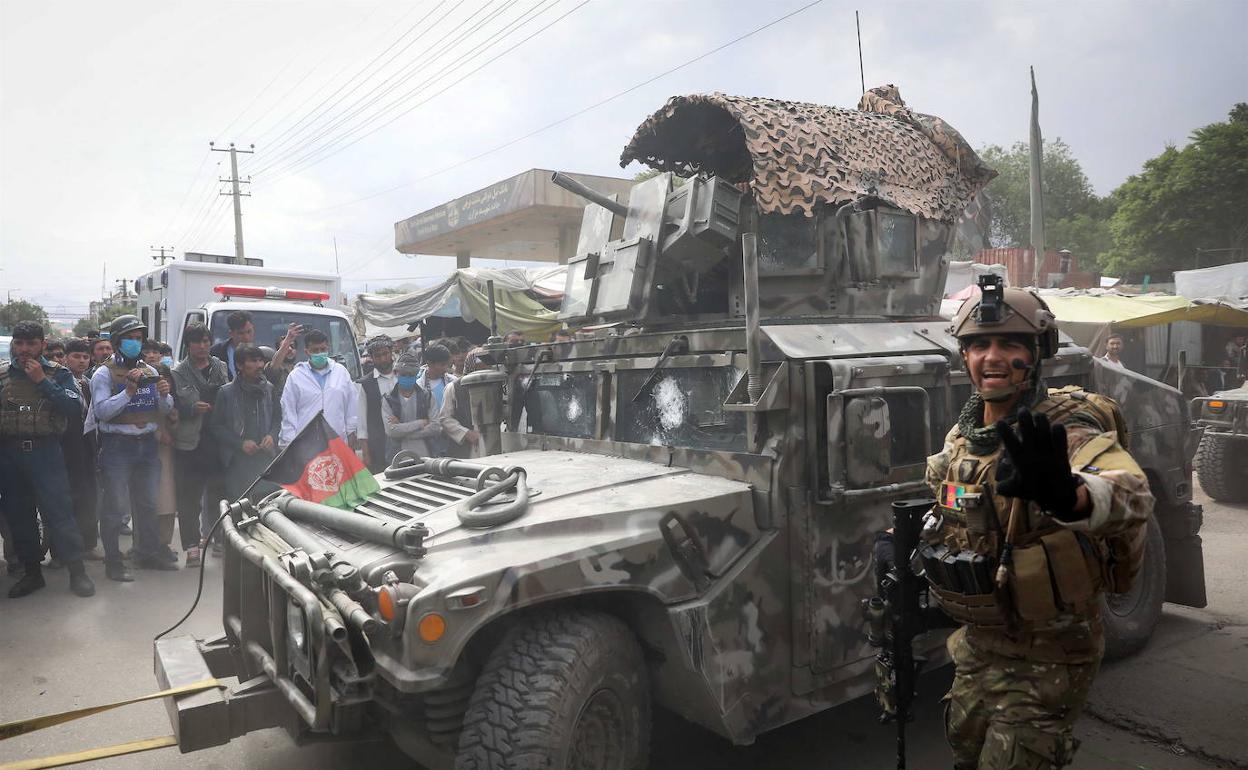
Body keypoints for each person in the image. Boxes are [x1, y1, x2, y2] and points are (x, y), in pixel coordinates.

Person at [925, 283, 1153, 769]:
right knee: (964, 753)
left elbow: (1134, 494)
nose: (993, 358)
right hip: (977, 646)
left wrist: (1067, 495)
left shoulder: (1065, 430)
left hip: (1050, 651)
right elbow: (954, 510)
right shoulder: (962, 437)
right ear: (964, 356)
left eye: (1010, 345)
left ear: (1036, 354)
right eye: (980, 345)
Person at [0, 321, 95, 597]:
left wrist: (42, 381)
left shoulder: (58, 373)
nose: (25, 349)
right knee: (20, 517)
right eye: (19, 343)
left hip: (46, 453)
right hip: (11, 455)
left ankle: (77, 572)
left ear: (42, 344)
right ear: (13, 345)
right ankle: (32, 573)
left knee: (60, 515)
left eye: (31, 343)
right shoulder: (4, 376)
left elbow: (73, 407)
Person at [90, 314, 177, 581]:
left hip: (146, 447)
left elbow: (164, 408)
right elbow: (102, 412)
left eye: (138, 339)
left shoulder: (150, 371)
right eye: (129, 338)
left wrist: (165, 395)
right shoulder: (103, 373)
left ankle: (147, 553)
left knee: (147, 504)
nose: (134, 343)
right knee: (115, 507)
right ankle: (113, 562)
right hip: (118, 447)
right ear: (117, 341)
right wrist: (127, 391)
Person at [171, 322, 229, 566]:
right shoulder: (177, 372)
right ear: (189, 345)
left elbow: (230, 397)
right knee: (189, 499)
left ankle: (216, 539)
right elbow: (171, 406)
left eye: (207, 341)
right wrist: (191, 408)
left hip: (216, 441)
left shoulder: (221, 367)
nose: (203, 346)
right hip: (188, 443)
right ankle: (192, 548)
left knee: (218, 495)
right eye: (198, 342)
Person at [209, 345, 282, 502]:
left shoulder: (269, 389)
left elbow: (278, 419)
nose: (259, 365)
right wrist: (240, 443)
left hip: (266, 462)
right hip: (238, 465)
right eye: (253, 361)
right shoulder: (226, 393)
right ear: (240, 365)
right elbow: (216, 427)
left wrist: (272, 436)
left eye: (261, 360)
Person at [279, 328, 357, 446]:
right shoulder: (296, 376)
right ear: (307, 352)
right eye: (315, 350)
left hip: (338, 442)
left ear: (328, 348)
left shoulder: (341, 372)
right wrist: (289, 443)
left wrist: (352, 434)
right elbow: (288, 412)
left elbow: (351, 406)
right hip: (306, 445)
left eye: (323, 349)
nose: (320, 353)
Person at [62, 337, 100, 559]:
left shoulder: (88, 383)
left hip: (87, 447)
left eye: (86, 357)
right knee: (69, 500)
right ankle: (65, 550)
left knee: (89, 498)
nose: (82, 361)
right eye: (76, 356)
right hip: (66, 447)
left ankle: (88, 546)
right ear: (66, 358)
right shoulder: (59, 382)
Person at [141, 339, 180, 559]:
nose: (152, 355)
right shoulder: (136, 378)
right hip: (144, 447)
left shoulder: (165, 373)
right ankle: (147, 546)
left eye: (156, 351)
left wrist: (173, 421)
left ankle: (163, 544)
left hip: (167, 450)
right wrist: (157, 433)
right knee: (147, 500)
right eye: (147, 351)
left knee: (167, 500)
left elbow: (172, 411)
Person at [383, 351, 444, 457]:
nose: (407, 377)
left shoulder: (427, 396)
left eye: (411, 375)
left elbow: (435, 427)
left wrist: (403, 431)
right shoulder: (389, 399)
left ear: (416, 375)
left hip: (427, 455)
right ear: (396, 373)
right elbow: (391, 431)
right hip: (398, 457)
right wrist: (420, 423)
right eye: (403, 374)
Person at [357, 334, 398, 473]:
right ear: (372, 358)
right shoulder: (365, 384)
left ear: (391, 353)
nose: (382, 359)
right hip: (379, 445)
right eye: (378, 356)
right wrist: (366, 454)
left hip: (405, 441)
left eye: (385, 354)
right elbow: (362, 423)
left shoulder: (403, 376)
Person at [437, 347, 485, 458]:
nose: (486, 367)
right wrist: (466, 433)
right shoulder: (454, 387)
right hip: (464, 447)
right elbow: (445, 418)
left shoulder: (495, 386)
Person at [211, 309, 255, 380]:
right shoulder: (216, 353)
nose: (246, 337)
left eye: (249, 331)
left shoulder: (262, 352)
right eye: (241, 333)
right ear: (231, 334)